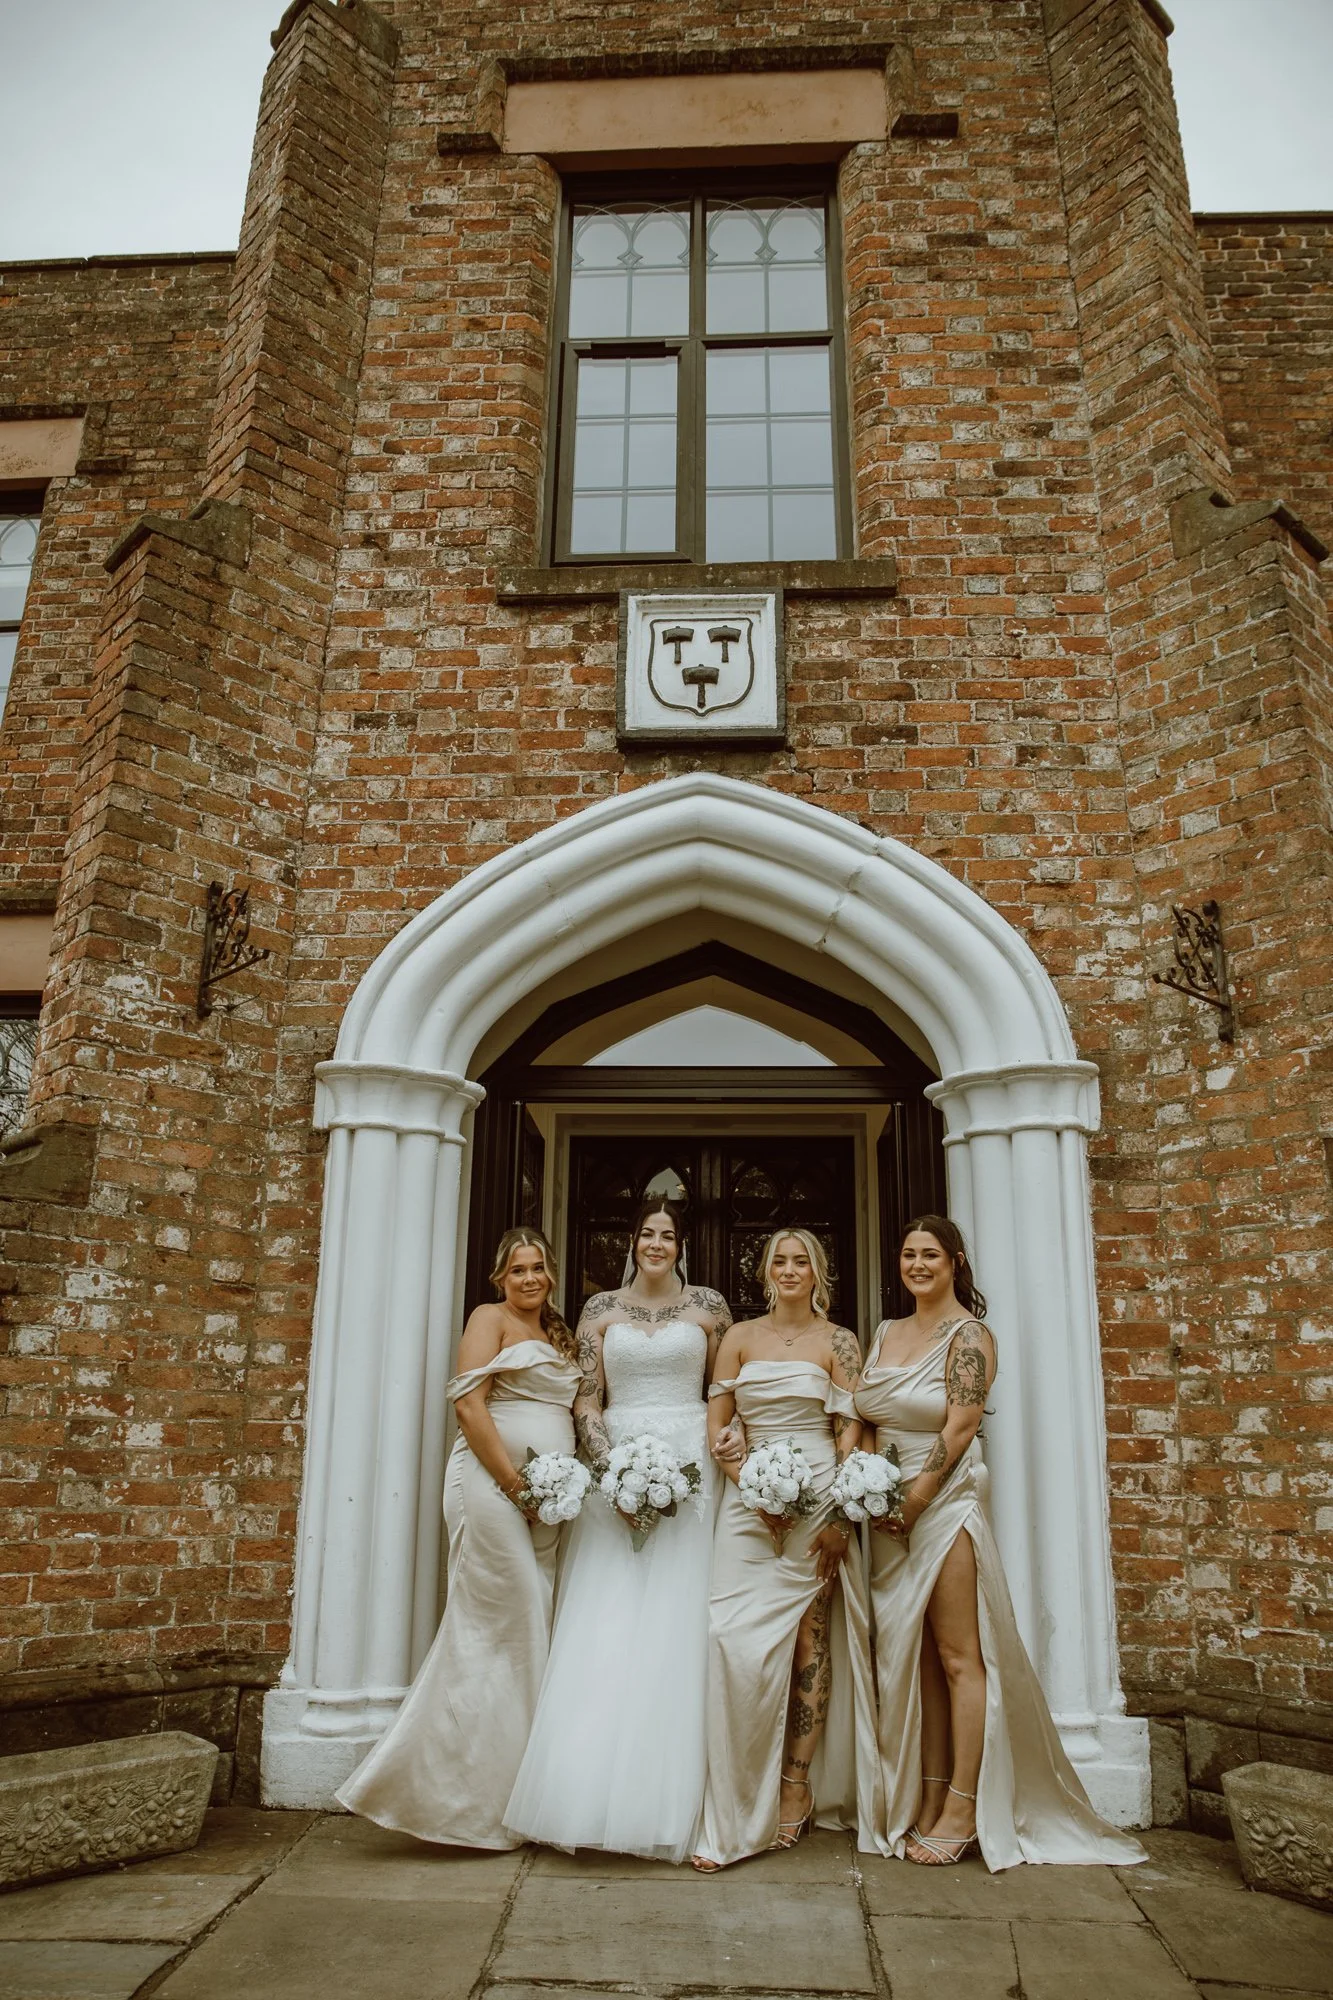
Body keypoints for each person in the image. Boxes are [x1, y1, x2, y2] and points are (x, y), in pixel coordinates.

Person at [855, 1214, 1145, 1868]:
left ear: (955, 1261)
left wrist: (914, 1499)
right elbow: (870, 1415)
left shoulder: (969, 1336)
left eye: (930, 1254)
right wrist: (866, 1485)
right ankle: (926, 1795)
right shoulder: (884, 1333)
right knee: (916, 1657)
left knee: (959, 1654)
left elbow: (957, 1429)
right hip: (883, 1508)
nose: (917, 1264)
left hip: (941, 1501)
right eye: (908, 1254)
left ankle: (962, 1807)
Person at [503, 1198, 732, 1862]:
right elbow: (587, 1396)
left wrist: (727, 1438)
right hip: (618, 1463)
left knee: (680, 1619)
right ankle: (583, 1792)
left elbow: (724, 1391)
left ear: (681, 1246)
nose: (655, 1243)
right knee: (607, 1619)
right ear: (631, 1241)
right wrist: (608, 1466)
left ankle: (679, 1801)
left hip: (690, 1464)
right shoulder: (599, 1311)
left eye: (667, 1235)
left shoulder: (710, 1308)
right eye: (646, 1233)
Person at [336, 1228, 581, 1847]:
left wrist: (555, 1488)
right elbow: (470, 1407)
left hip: (547, 1498)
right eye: (518, 1270)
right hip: (493, 1484)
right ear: (500, 1277)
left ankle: (522, 1791)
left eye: (539, 1269)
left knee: (535, 1628)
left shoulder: (558, 1332)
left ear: (551, 1275)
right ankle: (456, 1802)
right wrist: (517, 1485)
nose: (529, 1279)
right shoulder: (488, 1319)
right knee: (512, 1618)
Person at [692, 1229, 882, 1870]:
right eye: (781, 1259)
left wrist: (837, 1519)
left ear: (818, 1270)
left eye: (803, 1259)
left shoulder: (840, 1342)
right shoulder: (738, 1339)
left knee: (810, 1640)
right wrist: (751, 1487)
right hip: (747, 1507)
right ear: (765, 1270)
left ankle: (795, 1790)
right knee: (729, 1640)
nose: (791, 1268)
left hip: (820, 1503)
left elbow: (851, 1429)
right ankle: (730, 1799)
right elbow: (718, 1430)